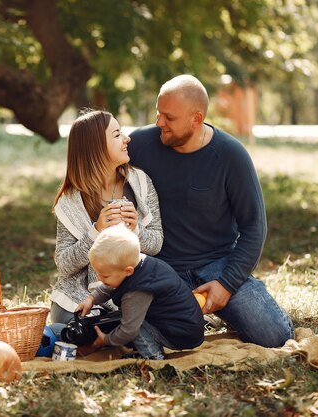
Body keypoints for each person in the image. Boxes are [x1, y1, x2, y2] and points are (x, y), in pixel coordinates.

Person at [128, 74, 294, 348]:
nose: (159, 123)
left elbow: (254, 227)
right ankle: (188, 318)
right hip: (162, 268)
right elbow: (98, 173)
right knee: (140, 332)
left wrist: (227, 285)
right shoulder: (140, 145)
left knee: (275, 336)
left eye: (169, 117)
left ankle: (220, 307)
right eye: (158, 114)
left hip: (218, 264)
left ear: (196, 118)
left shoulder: (231, 155)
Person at [51, 109, 163, 324]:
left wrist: (135, 229)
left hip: (132, 289)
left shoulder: (139, 183)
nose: (127, 139)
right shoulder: (71, 200)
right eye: (117, 134)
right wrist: (96, 232)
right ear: (96, 147)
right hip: (81, 294)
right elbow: (64, 265)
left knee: (136, 322)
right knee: (73, 323)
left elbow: (157, 243)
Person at [76, 224, 205, 359]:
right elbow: (110, 286)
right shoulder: (137, 264)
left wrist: (107, 340)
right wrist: (91, 299)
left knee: (133, 323)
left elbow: (129, 330)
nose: (99, 278)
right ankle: (146, 346)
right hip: (180, 324)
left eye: (105, 275)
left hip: (180, 333)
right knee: (129, 316)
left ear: (128, 271)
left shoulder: (138, 290)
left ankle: (153, 357)